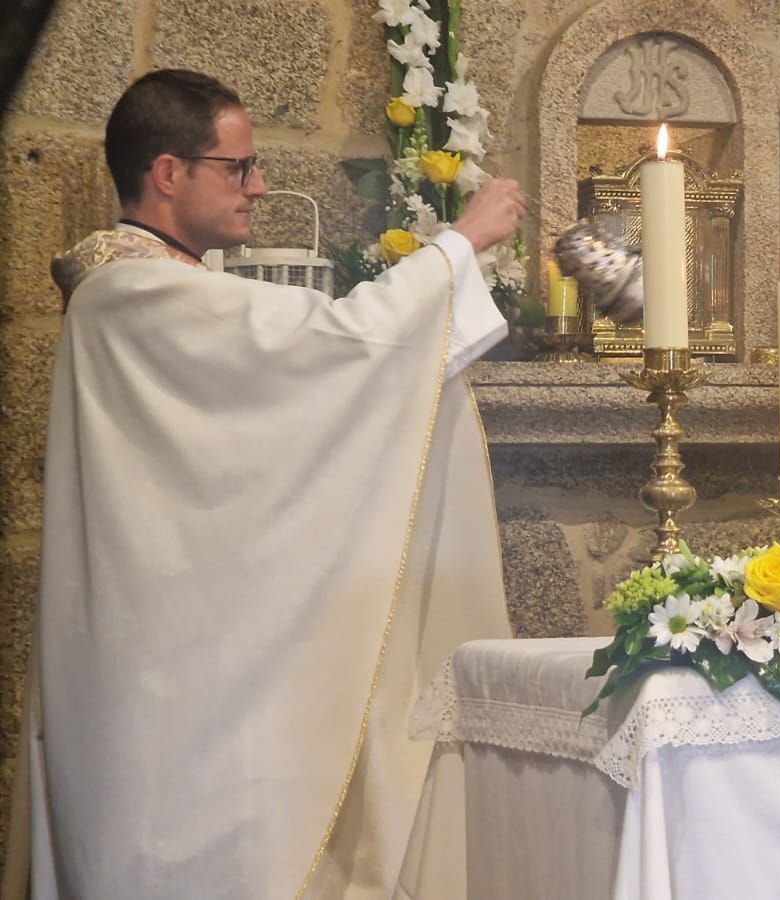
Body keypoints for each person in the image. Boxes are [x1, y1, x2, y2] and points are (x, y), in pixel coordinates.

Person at [23, 69, 521, 899]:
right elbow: (342, 347)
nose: (258, 186)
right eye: (238, 167)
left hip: (169, 658)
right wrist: (459, 246)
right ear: (168, 174)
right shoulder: (136, 294)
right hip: (167, 693)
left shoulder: (154, 292)